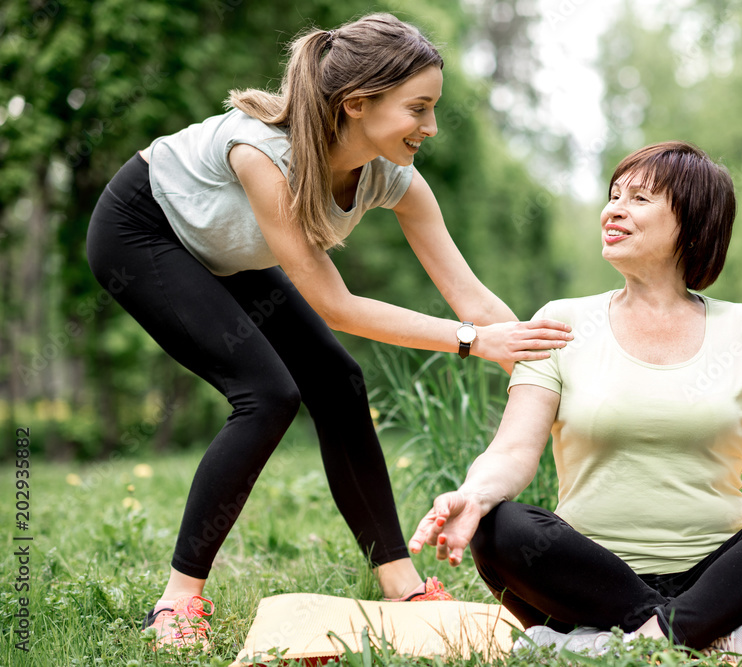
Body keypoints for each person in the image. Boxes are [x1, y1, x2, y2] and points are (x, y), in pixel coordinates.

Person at [85, 13, 572, 652]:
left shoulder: (394, 176)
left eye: (433, 109)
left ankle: (401, 584)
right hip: (144, 230)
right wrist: (471, 342)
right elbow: (336, 305)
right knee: (266, 394)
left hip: (235, 248)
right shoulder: (264, 154)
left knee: (338, 382)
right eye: (418, 109)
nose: (430, 127)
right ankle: (177, 600)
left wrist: (540, 366)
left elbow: (471, 296)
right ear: (357, 104)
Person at [409, 140, 742, 657]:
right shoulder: (561, 321)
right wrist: (473, 494)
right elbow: (513, 452)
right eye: (613, 195)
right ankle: (699, 635)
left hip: (721, 579)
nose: (613, 209)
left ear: (692, 222)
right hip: (590, 581)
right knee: (497, 525)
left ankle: (637, 640)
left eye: (640, 198)